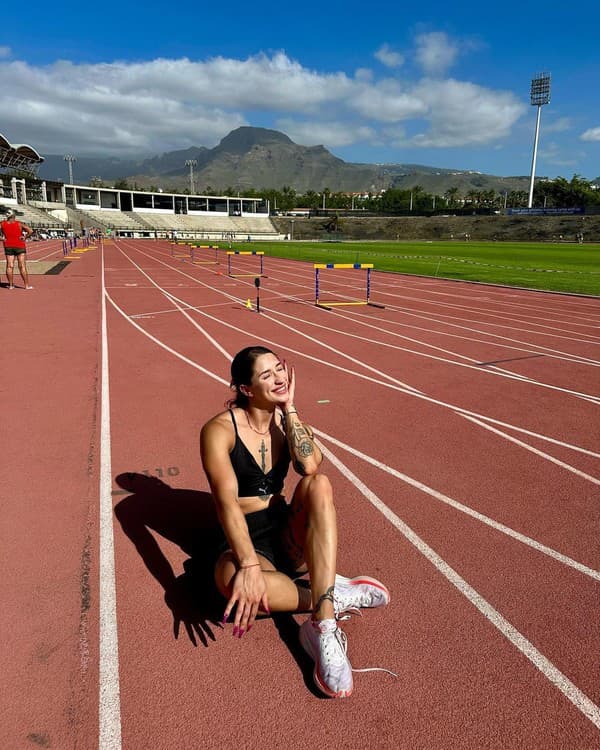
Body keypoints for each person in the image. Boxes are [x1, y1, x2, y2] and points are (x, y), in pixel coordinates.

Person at [200, 345, 390, 698]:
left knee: (319, 485)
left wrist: (289, 409)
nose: (278, 378)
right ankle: (331, 594)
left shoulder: (287, 424)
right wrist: (249, 563)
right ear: (245, 389)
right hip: (244, 535)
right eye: (266, 375)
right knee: (233, 586)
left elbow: (311, 467)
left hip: (284, 527)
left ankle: (323, 623)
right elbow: (225, 504)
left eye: (279, 369)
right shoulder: (218, 431)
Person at [1, 212, 33, 289]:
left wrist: (2, 239)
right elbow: (30, 231)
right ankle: (26, 285)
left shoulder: (2, 224)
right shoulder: (19, 224)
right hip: (19, 245)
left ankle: (11, 285)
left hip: (8, 245)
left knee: (9, 266)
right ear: (13, 216)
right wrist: (25, 237)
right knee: (22, 266)